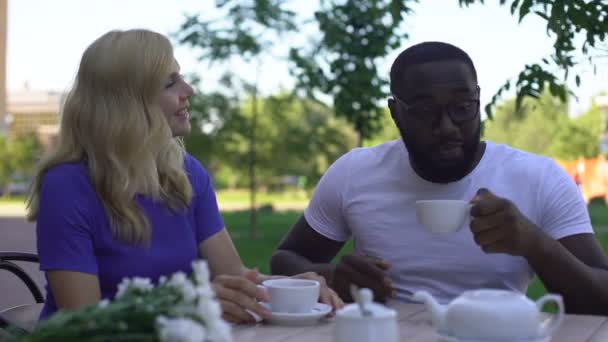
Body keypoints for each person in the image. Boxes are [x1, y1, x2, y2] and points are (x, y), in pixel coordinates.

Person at [26, 29, 342, 324]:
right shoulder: (67, 186)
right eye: (170, 83)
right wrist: (188, 306)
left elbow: (234, 275)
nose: (188, 91)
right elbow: (84, 321)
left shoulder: (186, 173)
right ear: (127, 103)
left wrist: (289, 286)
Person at [270, 41, 608, 315]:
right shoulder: (354, 173)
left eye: (463, 107)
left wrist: (536, 244)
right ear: (395, 112)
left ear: (478, 100)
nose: (447, 127)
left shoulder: (538, 178)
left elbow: (601, 299)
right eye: (425, 111)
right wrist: (332, 278)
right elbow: (285, 260)